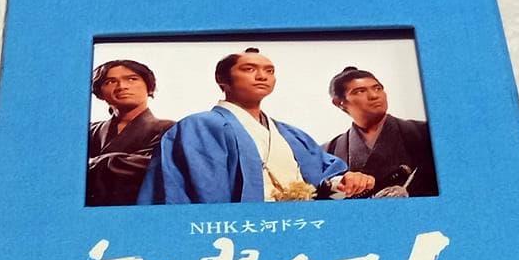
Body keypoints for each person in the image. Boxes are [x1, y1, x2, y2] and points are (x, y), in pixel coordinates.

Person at [138, 49, 375, 204]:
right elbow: (198, 192)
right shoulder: (199, 126)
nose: (262, 76)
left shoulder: (292, 134)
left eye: (269, 71)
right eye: (249, 69)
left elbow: (324, 179)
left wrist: (346, 182)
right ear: (222, 79)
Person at [323, 66, 438, 198]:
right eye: (360, 91)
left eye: (378, 88)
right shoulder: (328, 151)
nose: (374, 95)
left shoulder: (425, 133)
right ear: (339, 102)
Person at [87, 60, 175, 206]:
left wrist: (95, 162)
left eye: (132, 79)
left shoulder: (168, 128)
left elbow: (153, 165)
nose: (122, 86)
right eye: (110, 82)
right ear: (100, 92)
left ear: (149, 87)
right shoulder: (90, 131)